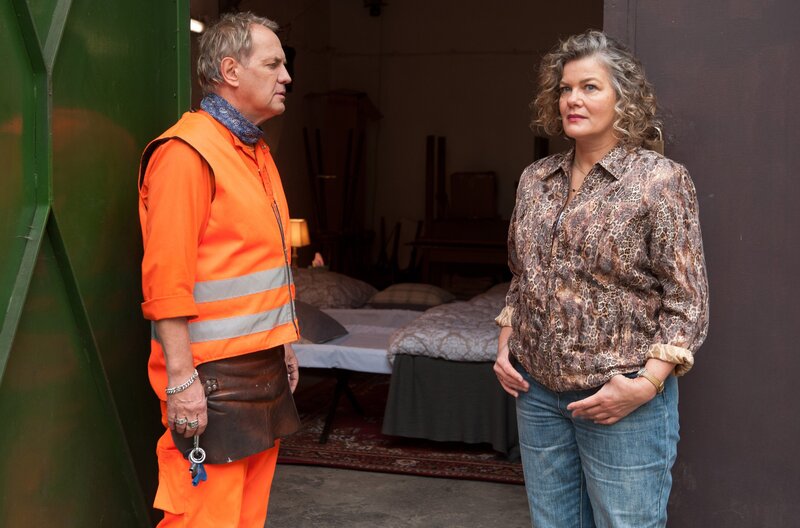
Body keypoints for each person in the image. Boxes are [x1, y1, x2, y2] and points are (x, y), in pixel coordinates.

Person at [493, 30, 709, 527]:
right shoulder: (535, 179)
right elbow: (522, 275)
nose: (573, 99)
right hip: (537, 394)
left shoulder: (659, 180)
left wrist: (646, 385)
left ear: (622, 98)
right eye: (565, 89)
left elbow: (687, 301)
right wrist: (506, 345)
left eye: (589, 87)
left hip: (621, 399)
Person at [137, 12, 300, 527]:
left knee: (247, 519)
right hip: (210, 384)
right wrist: (181, 382)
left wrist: (283, 345)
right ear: (230, 71)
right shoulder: (186, 154)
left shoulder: (254, 151)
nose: (286, 76)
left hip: (262, 377)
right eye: (272, 64)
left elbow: (259, 264)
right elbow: (166, 283)